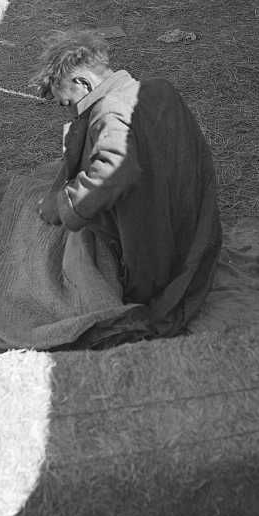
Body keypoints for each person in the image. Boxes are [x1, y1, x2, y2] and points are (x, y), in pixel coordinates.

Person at [34, 30, 222, 338]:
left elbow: (111, 172)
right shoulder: (160, 90)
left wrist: (62, 207)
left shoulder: (109, 112)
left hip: (155, 257)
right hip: (190, 234)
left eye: (68, 103)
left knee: (62, 248)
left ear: (83, 83)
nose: (70, 111)